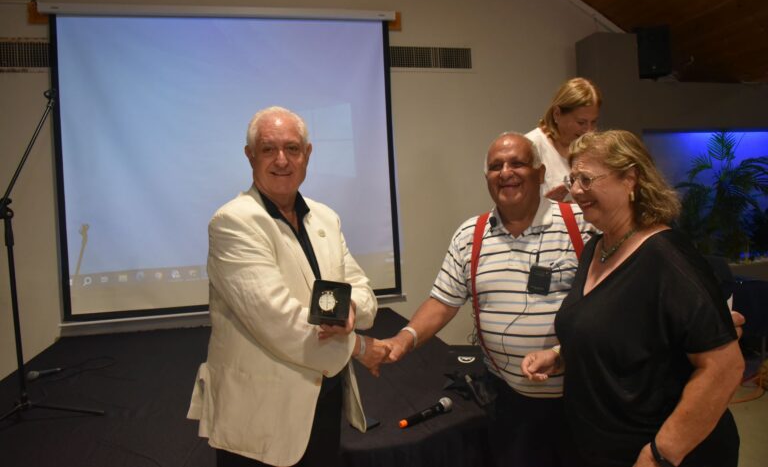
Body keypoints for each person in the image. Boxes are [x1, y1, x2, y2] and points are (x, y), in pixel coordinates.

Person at [522, 130, 744, 467]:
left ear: (630, 179)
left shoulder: (666, 257)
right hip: (600, 448)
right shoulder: (597, 248)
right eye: (572, 179)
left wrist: (659, 454)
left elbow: (724, 368)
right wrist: (561, 355)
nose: (576, 190)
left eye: (586, 178)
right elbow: (625, 338)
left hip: (661, 453)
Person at [187, 106, 390, 467]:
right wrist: (359, 346)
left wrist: (350, 309)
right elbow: (279, 321)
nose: (282, 160)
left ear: (307, 154)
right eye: (268, 149)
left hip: (323, 403)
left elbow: (362, 291)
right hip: (260, 419)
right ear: (250, 155)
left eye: (292, 149)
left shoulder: (326, 217)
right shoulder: (233, 222)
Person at [382, 132, 592, 467]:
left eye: (517, 163)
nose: (505, 172)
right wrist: (404, 339)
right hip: (509, 402)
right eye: (496, 166)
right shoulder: (470, 235)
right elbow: (442, 302)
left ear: (540, 173)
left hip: (581, 399)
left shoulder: (582, 225)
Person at [526, 77, 602, 201]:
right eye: (581, 122)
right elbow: (517, 207)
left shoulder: (592, 149)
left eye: (593, 122)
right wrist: (547, 203)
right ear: (557, 114)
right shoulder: (531, 146)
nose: (589, 131)